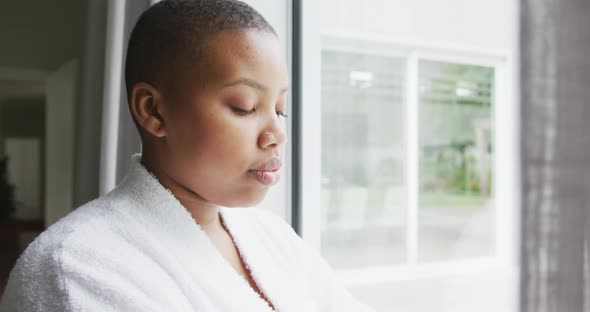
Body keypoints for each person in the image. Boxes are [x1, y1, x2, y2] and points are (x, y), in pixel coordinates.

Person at [0, 0, 375, 311]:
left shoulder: (271, 236)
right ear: (154, 111)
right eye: (245, 107)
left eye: (280, 109)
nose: (277, 133)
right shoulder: (75, 268)